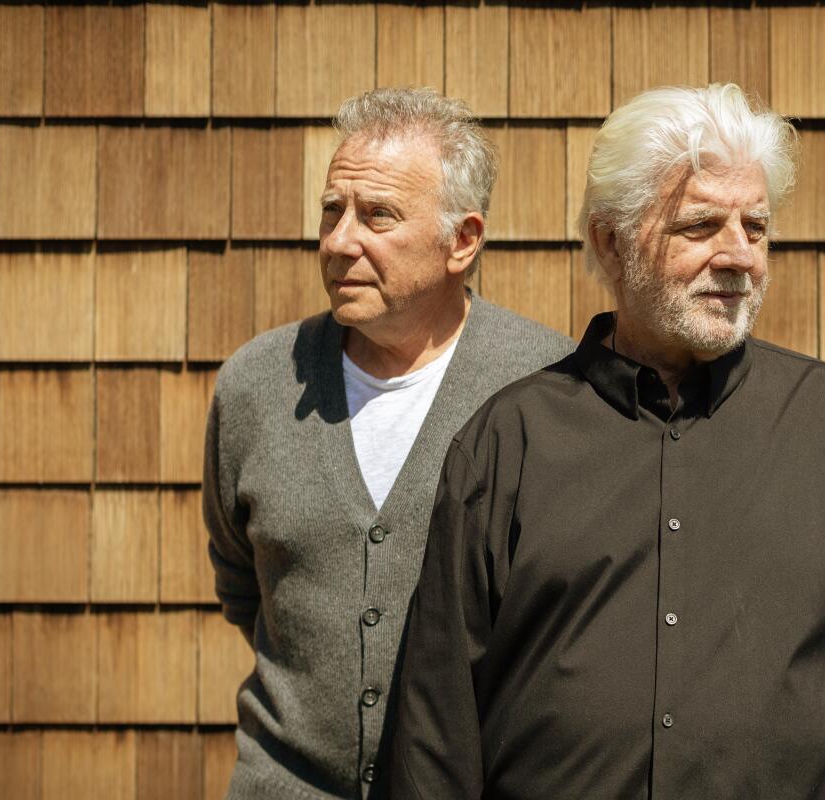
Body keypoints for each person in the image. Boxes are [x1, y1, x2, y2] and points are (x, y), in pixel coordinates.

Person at [390, 83, 825, 800]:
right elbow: (433, 720)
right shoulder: (507, 441)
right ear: (612, 241)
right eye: (702, 226)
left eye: (756, 228)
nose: (740, 257)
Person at [203, 87, 573, 799]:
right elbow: (241, 580)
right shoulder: (255, 385)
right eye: (331, 211)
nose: (340, 241)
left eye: (377, 216)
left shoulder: (545, 389)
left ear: (461, 241)